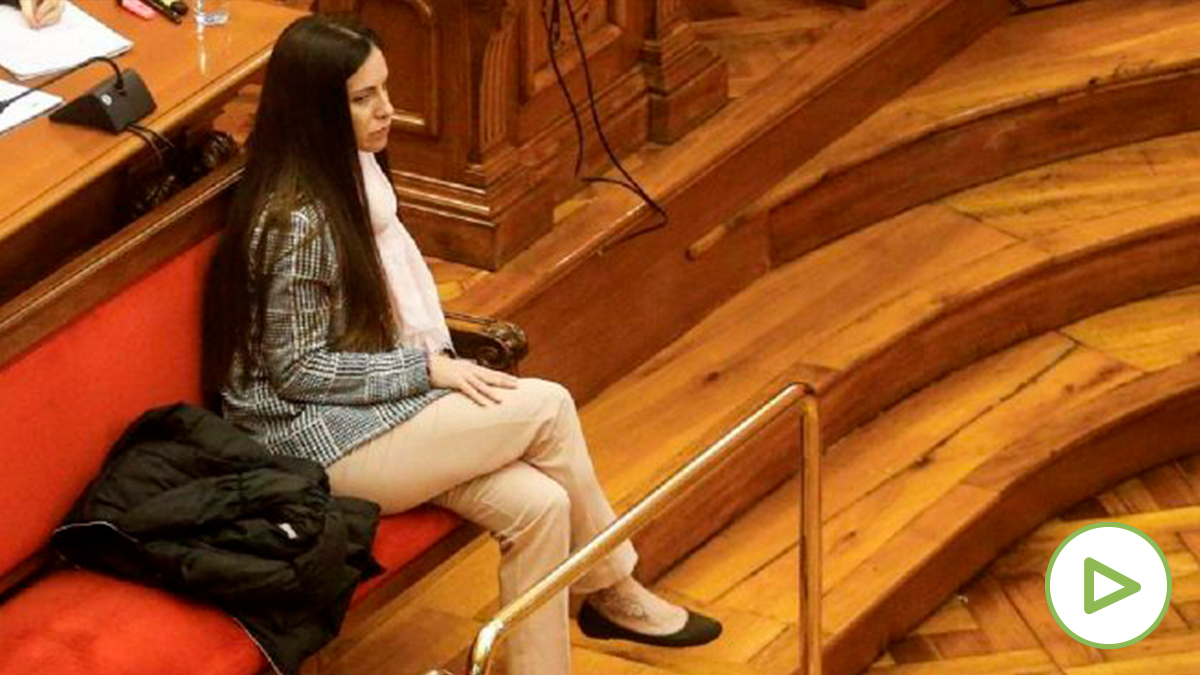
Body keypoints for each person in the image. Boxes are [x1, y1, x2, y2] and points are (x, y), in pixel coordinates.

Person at [202, 15, 720, 675]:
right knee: (549, 405)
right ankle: (613, 589)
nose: (388, 109)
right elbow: (299, 370)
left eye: (385, 88)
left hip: (363, 413)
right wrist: (427, 371)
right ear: (315, 109)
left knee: (542, 505)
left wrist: (427, 372)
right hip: (314, 442)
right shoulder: (298, 219)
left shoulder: (353, 172)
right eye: (363, 98)